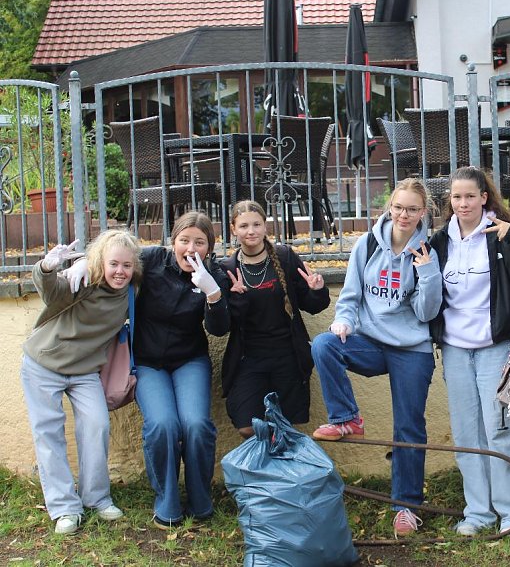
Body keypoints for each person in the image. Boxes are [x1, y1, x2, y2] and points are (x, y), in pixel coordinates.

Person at [68, 212, 232, 528]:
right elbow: (115, 258)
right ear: (173, 242)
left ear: (209, 247)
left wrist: (213, 294)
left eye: (200, 242)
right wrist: (83, 264)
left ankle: (200, 499)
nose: (191, 249)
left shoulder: (214, 275)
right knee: (163, 425)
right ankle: (167, 501)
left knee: (196, 424)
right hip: (147, 362)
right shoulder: (153, 260)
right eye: (184, 241)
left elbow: (220, 329)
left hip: (189, 361)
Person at [310, 177, 442, 537]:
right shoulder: (366, 244)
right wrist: (342, 322)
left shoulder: (428, 250)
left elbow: (427, 314)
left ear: (423, 213)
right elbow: (350, 297)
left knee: (408, 427)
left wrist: (427, 272)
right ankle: (347, 418)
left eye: (412, 209)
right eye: (398, 207)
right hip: (370, 342)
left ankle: (406, 507)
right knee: (323, 345)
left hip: (411, 349)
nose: (404, 214)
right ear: (390, 207)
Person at [428, 166, 510, 537]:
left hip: (496, 346)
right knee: (466, 433)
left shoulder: (502, 235)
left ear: (484, 198)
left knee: (501, 430)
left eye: (470, 196)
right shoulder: (440, 241)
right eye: (456, 198)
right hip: (456, 350)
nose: (463, 203)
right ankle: (478, 513)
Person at [21, 230, 142, 535]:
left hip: (86, 371)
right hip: (43, 365)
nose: (120, 271)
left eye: (127, 266)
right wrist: (51, 266)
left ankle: (96, 498)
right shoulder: (83, 281)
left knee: (97, 425)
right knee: (49, 433)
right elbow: (52, 291)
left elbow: (160, 254)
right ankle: (64, 508)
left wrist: (87, 259)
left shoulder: (131, 291)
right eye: (113, 263)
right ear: (102, 261)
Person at [221, 200, 330, 438]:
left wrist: (317, 290)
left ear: (265, 226)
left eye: (257, 224)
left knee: (285, 427)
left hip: (287, 355)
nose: (251, 231)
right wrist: (237, 299)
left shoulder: (284, 257)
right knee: (248, 427)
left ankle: (281, 475)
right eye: (244, 226)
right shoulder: (227, 268)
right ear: (233, 229)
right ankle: (264, 470)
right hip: (248, 359)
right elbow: (223, 325)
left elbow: (313, 306)